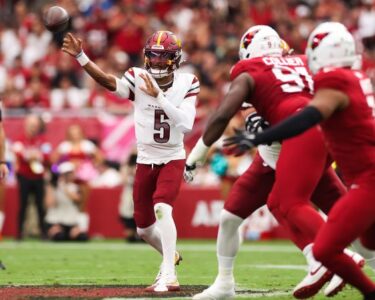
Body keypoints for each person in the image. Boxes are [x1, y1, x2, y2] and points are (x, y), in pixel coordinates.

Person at [186, 25, 362, 299]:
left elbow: (235, 114)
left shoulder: (252, 71)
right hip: (279, 156)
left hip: (301, 152)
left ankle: (332, 257)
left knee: (288, 204)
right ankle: (224, 283)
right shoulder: (303, 61)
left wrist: (199, 152)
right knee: (232, 217)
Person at [62, 30, 199, 292]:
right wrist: (81, 56)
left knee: (163, 209)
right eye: (154, 57)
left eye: (164, 58)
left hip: (172, 156)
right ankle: (172, 254)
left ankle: (168, 275)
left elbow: (186, 124)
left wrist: (159, 97)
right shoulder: (138, 77)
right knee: (144, 230)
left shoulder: (188, 82)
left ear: (175, 59)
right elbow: (109, 82)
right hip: (145, 160)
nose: (157, 62)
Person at [13, 114, 51, 240]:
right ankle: (19, 232)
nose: (33, 128)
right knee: (23, 204)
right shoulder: (20, 139)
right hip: (24, 176)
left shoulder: (43, 140)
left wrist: (34, 155)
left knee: (40, 205)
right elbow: (19, 154)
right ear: (26, 125)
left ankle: (43, 232)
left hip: (38, 177)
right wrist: (32, 155)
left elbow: (47, 156)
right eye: (31, 125)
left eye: (35, 126)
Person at [45, 161, 89, 242]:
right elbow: (50, 204)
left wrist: (63, 187)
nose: (70, 176)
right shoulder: (53, 187)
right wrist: (52, 187)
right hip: (56, 221)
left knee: (82, 237)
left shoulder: (76, 187)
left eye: (71, 173)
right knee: (60, 237)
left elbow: (77, 199)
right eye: (67, 174)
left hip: (71, 222)